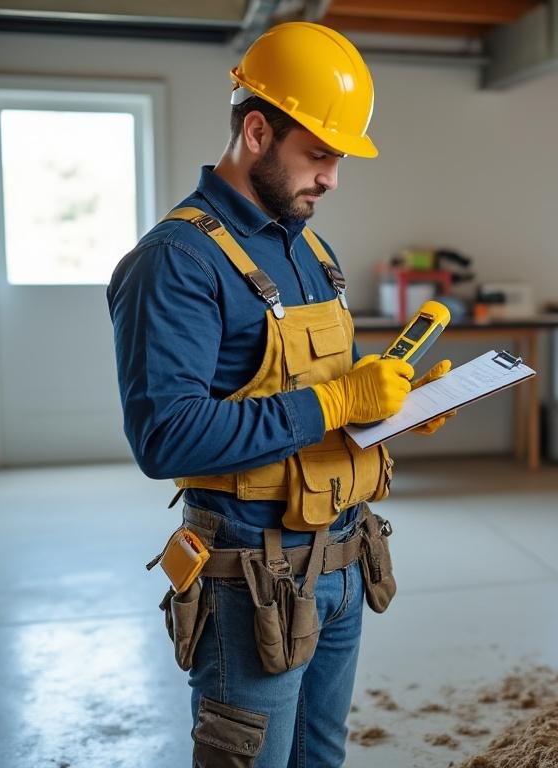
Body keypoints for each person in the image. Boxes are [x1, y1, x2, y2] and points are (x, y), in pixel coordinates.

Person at [107, 21, 451, 767]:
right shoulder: (176, 261)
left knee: (321, 758)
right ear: (256, 131)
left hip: (342, 562)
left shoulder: (307, 247)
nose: (331, 178)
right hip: (251, 582)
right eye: (318, 155)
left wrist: (400, 404)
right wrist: (336, 405)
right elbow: (165, 436)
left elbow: (329, 391)